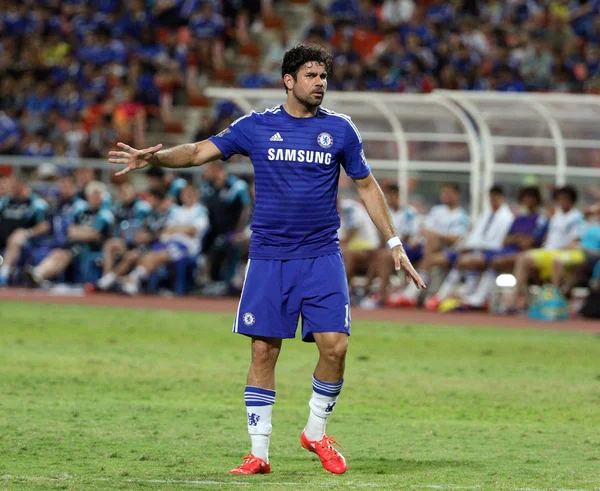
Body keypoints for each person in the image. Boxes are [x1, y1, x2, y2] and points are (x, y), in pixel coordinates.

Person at [108, 43, 425, 476]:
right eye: (311, 76)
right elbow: (201, 151)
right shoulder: (256, 126)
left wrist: (394, 244)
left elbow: (367, 186)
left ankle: (315, 432)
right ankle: (259, 453)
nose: (320, 84)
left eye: (323, 77)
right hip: (270, 256)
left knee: (337, 347)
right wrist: (157, 157)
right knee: (263, 351)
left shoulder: (341, 129)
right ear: (289, 81)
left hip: (321, 254)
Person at [120, 182, 209, 295]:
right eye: (185, 194)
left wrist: (177, 229)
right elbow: (166, 229)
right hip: (170, 241)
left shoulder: (200, 210)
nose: (187, 197)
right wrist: (181, 229)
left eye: (190, 194)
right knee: (149, 255)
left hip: (188, 246)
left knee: (160, 255)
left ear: (196, 195)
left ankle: (132, 280)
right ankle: (133, 281)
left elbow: (193, 229)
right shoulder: (177, 211)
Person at [507, 185, 584, 313]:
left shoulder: (577, 217)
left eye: (564, 199)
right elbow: (548, 238)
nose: (561, 202)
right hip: (549, 251)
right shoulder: (555, 216)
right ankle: (515, 301)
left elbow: (575, 241)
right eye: (559, 199)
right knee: (522, 258)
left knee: (557, 261)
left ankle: (553, 301)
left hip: (565, 252)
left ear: (571, 201)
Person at [0, 177, 49, 286]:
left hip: (24, 239)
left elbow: (45, 226)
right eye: (13, 187)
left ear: (24, 187)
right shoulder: (6, 201)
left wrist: (28, 232)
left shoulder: (36, 203)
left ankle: (3, 274)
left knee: (16, 237)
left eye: (17, 187)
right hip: (2, 236)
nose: (14, 190)